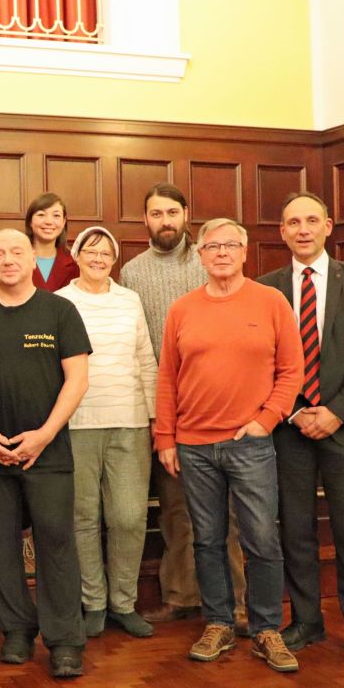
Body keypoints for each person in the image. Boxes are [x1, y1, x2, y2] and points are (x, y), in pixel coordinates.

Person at [154, 217, 303, 673]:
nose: (221, 252)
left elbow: (292, 372)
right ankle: (217, 622)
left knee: (260, 539)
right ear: (199, 255)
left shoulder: (272, 301)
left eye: (230, 245)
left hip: (250, 445)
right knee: (207, 540)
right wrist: (166, 437)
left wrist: (266, 420)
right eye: (212, 246)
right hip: (194, 447)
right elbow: (167, 378)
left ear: (244, 252)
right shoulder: (182, 309)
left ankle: (265, 629)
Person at [258, 192, 344, 668]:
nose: (303, 229)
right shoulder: (266, 289)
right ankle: (307, 621)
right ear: (283, 232)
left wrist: (334, 411)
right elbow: (262, 358)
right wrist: (292, 411)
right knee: (294, 531)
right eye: (294, 222)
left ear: (329, 226)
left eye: (312, 220)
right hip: (289, 430)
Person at [118, 182, 247, 635]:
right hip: (167, 405)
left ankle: (237, 603)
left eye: (172, 212)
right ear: (146, 220)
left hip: (218, 403)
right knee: (174, 511)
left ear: (186, 214)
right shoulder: (132, 272)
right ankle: (180, 596)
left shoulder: (210, 258)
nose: (165, 221)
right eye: (155, 214)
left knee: (224, 514)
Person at [0, 228, 90, 678]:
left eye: (16, 251)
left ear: (31, 261)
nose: (7, 259)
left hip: (49, 452)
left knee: (56, 546)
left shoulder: (60, 310)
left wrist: (44, 434)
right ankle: (17, 631)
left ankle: (65, 642)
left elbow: (77, 380)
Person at [57, 227, 157, 639]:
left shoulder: (129, 300)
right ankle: (94, 602)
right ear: (77, 255)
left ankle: (124, 602)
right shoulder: (61, 302)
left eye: (106, 252)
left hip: (130, 420)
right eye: (90, 250)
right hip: (78, 422)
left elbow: (146, 359)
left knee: (129, 517)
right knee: (83, 517)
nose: (98, 258)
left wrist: (154, 418)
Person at [26, 192, 79, 291]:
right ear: (30, 221)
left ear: (64, 222)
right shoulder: (16, 259)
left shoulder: (74, 263)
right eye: (41, 215)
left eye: (56, 216)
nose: (49, 221)